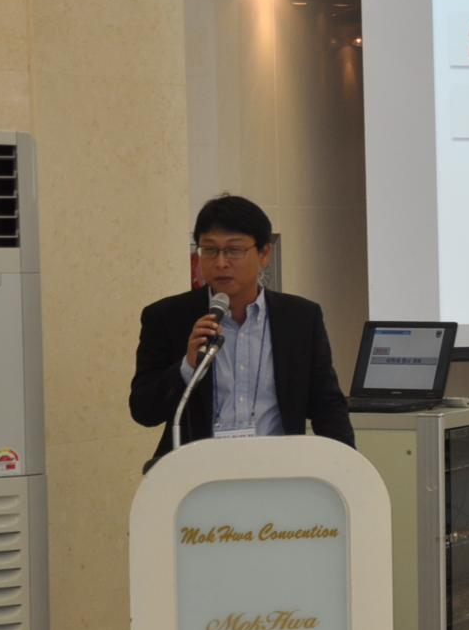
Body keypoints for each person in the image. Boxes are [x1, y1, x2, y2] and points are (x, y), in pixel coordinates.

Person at [129, 194, 353, 466]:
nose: (221, 262)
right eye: (209, 250)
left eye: (234, 250)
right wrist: (188, 366)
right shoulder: (167, 317)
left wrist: (346, 468)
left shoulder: (300, 318)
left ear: (264, 253)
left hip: (279, 469)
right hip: (197, 473)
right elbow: (144, 411)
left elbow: (327, 405)